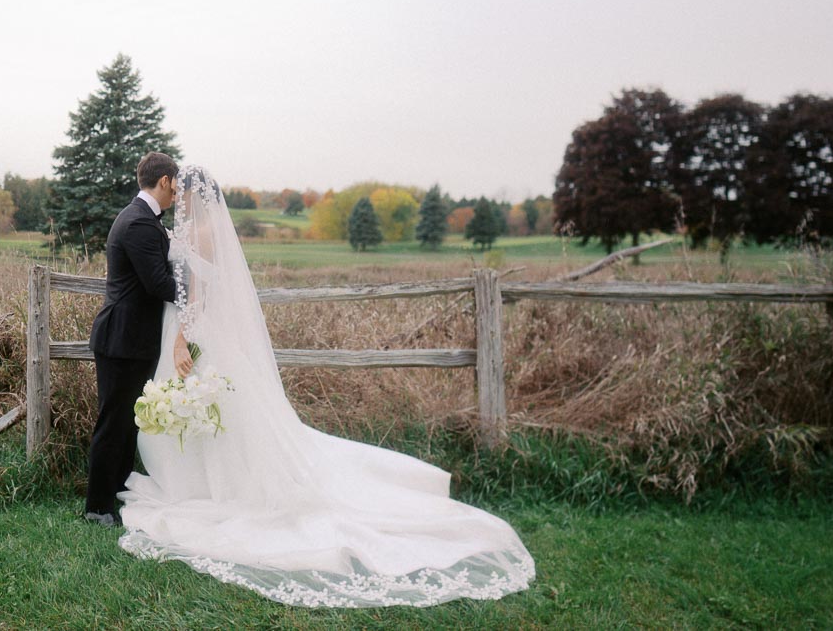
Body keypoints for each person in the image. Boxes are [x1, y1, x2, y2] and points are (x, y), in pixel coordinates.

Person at [115, 164, 535, 607]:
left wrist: (182, 339)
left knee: (210, 411)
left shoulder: (199, 234)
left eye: (181, 193)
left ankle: (209, 490)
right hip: (194, 333)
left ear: (194, 197)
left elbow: (194, 296)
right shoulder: (197, 229)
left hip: (191, 334)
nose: (176, 198)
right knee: (214, 414)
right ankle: (204, 484)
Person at [84, 152, 186, 526]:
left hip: (134, 340)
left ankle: (117, 493)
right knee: (113, 423)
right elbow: (157, 283)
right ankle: (97, 507)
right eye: (174, 186)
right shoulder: (139, 223)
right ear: (163, 182)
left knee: (128, 423)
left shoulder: (144, 219)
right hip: (121, 340)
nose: (176, 194)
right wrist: (202, 292)